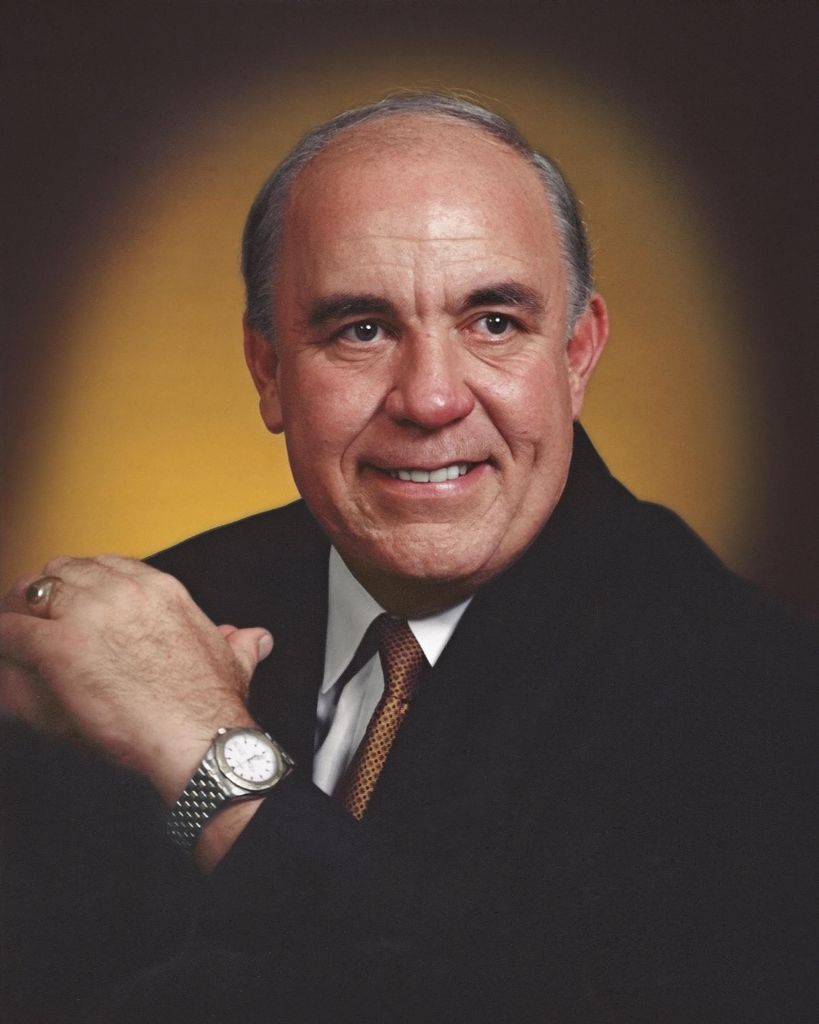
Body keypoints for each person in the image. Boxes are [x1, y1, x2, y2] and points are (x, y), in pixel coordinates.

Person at [0, 93, 816, 1023]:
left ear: (577, 354)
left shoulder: (762, 702)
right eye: (362, 329)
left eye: (492, 322)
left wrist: (212, 763)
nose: (430, 399)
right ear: (267, 370)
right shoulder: (154, 621)